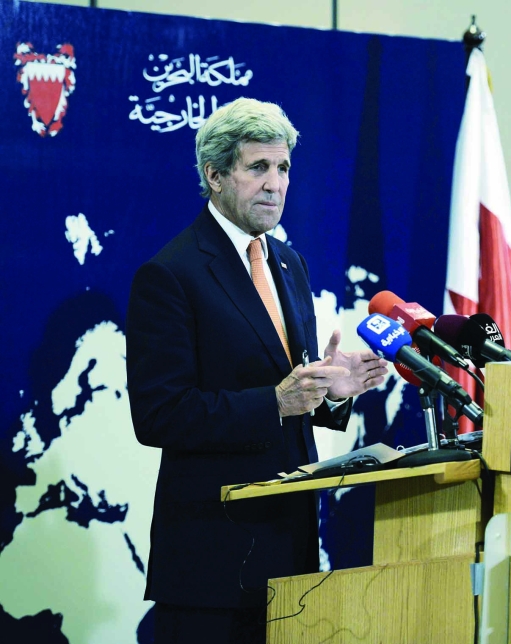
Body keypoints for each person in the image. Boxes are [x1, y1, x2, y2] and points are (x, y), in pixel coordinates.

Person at [126, 97, 389, 643]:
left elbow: (295, 390)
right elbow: (158, 414)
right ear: (215, 176)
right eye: (258, 167)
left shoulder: (288, 263)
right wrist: (274, 403)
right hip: (211, 562)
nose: (276, 184)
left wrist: (332, 391)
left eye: (284, 167)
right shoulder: (171, 274)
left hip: (291, 549)